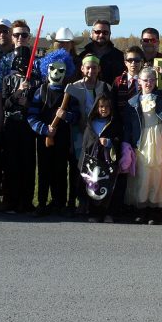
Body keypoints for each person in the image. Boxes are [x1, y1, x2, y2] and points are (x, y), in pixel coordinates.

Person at [124, 66, 162, 223]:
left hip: (159, 137)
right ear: (139, 82)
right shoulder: (132, 102)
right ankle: (142, 208)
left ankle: (156, 209)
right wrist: (128, 144)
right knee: (143, 172)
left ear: (155, 81)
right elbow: (129, 125)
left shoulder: (161, 96)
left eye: (152, 79)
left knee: (159, 172)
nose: (148, 82)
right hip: (142, 139)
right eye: (145, 80)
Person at [27, 59, 79, 216]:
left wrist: (67, 115)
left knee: (61, 171)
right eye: (53, 69)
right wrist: (44, 129)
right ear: (46, 69)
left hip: (63, 138)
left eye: (61, 70)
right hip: (44, 139)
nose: (56, 73)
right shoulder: (39, 92)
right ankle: (41, 203)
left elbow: (77, 117)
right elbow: (31, 116)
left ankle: (59, 203)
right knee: (43, 171)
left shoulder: (69, 94)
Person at [65, 54, 111, 214]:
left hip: (98, 134)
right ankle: (77, 201)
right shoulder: (74, 87)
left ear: (99, 69)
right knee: (80, 169)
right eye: (88, 67)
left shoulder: (105, 87)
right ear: (82, 69)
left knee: (96, 169)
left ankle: (94, 203)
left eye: (94, 67)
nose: (91, 70)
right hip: (79, 134)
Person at [0, 47, 38, 214]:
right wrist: (19, 92)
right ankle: (10, 200)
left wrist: (27, 103)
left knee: (27, 165)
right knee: (11, 164)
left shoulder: (36, 81)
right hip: (11, 126)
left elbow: (38, 106)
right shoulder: (8, 79)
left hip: (28, 126)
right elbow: (5, 103)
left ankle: (26, 201)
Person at [79, 93, 124, 223]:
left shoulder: (114, 124)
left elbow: (118, 140)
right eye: (101, 106)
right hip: (93, 161)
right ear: (96, 108)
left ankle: (108, 213)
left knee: (109, 187)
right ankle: (94, 212)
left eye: (107, 107)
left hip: (108, 161)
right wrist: (96, 143)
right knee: (93, 186)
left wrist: (110, 143)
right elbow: (86, 143)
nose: (104, 109)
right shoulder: (91, 124)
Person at [79, 19, 125, 85]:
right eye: (98, 32)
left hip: (112, 94)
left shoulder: (119, 56)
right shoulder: (82, 55)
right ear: (92, 33)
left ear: (110, 34)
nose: (101, 35)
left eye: (105, 32)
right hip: (85, 94)